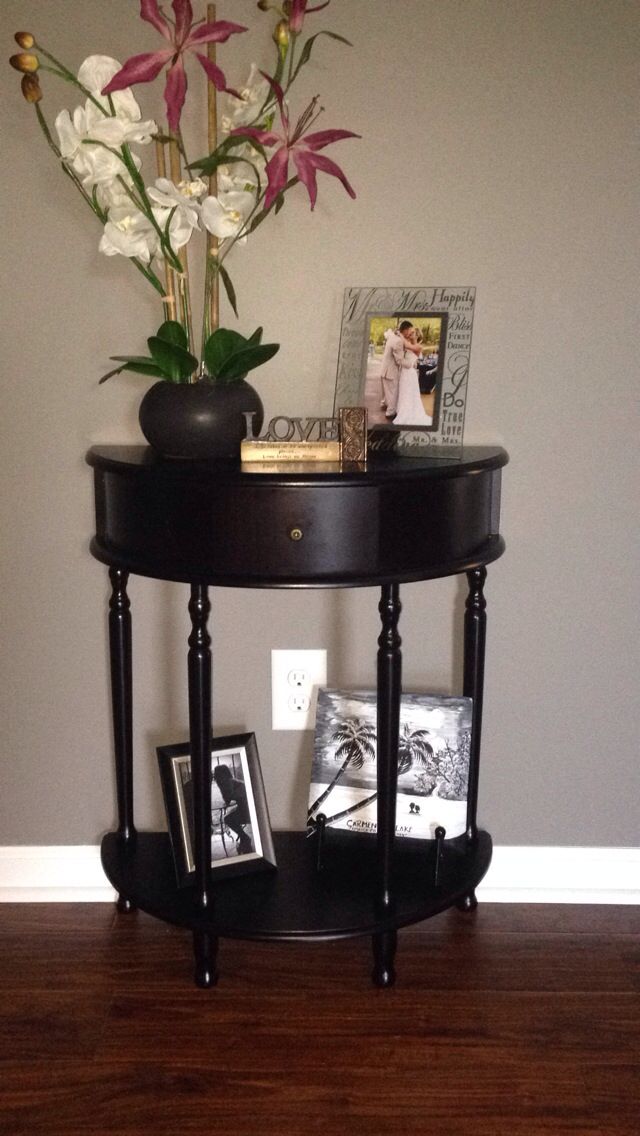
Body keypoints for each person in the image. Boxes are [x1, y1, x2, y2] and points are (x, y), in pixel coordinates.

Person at [394, 327, 433, 426]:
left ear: (417, 335)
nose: (410, 334)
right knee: (403, 392)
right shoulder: (409, 344)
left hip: (410, 374)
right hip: (404, 372)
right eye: (410, 333)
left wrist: (400, 334)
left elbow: (406, 345)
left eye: (413, 333)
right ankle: (402, 411)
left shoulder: (418, 347)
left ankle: (408, 414)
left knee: (408, 393)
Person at [212, 764, 253, 855]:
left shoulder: (227, 782)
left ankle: (244, 838)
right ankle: (244, 838)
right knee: (229, 816)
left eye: (216, 774)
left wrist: (222, 790)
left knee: (228, 819)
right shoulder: (230, 781)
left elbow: (228, 798)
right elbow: (229, 799)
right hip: (245, 807)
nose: (215, 776)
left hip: (249, 810)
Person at [379, 320, 414, 419]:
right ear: (405, 330)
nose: (410, 333)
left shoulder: (392, 336)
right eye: (409, 330)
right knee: (393, 393)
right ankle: (390, 413)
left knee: (387, 392)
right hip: (390, 371)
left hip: (384, 369)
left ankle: (385, 404)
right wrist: (410, 364)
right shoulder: (398, 341)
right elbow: (399, 360)